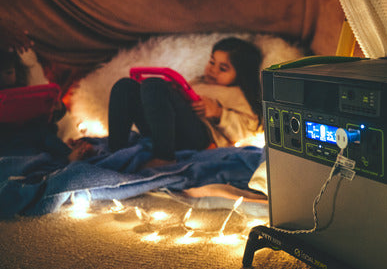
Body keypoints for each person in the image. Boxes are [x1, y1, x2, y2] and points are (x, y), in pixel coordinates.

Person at [107, 37, 263, 169]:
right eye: (212, 62)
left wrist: (218, 113)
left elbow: (250, 127)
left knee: (154, 84)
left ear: (241, 74)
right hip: (163, 129)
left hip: (198, 137)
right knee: (125, 86)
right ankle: (115, 150)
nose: (212, 70)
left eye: (223, 68)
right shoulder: (198, 82)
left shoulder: (236, 94)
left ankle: (164, 157)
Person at [0, 48, 94, 162]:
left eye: (9, 72)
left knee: (46, 133)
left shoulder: (23, 90)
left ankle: (68, 154)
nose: (3, 78)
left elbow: (45, 116)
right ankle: (61, 157)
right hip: (8, 140)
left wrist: (55, 108)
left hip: (33, 133)